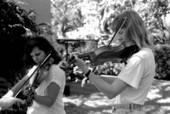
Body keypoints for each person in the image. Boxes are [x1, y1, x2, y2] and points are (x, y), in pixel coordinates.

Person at [73, 10, 155, 114]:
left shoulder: (139, 59)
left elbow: (111, 91)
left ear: (133, 30)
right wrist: (94, 77)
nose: (118, 38)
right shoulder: (146, 54)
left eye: (121, 32)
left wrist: (86, 71)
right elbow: (121, 82)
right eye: (117, 34)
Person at [23, 36, 66, 114]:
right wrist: (27, 94)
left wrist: (34, 96)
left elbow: (50, 101)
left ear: (47, 51)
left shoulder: (54, 70)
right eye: (32, 56)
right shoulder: (36, 69)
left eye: (37, 54)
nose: (35, 59)